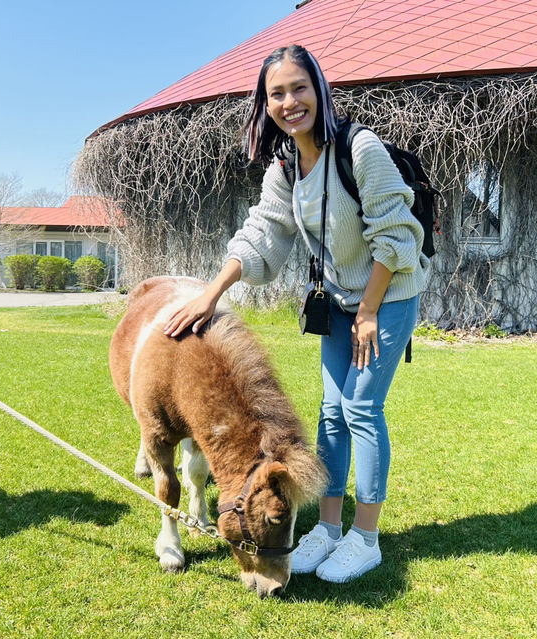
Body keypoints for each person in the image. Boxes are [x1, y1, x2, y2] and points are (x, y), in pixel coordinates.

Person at [163, 44, 428, 583]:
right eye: (276, 93)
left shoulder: (361, 149)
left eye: (299, 88)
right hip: (339, 303)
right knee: (330, 416)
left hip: (387, 297)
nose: (290, 101)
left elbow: (397, 234)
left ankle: (366, 538)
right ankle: (328, 530)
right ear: (266, 103)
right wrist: (211, 293)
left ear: (319, 90)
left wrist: (371, 310)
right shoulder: (287, 165)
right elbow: (263, 231)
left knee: (359, 407)